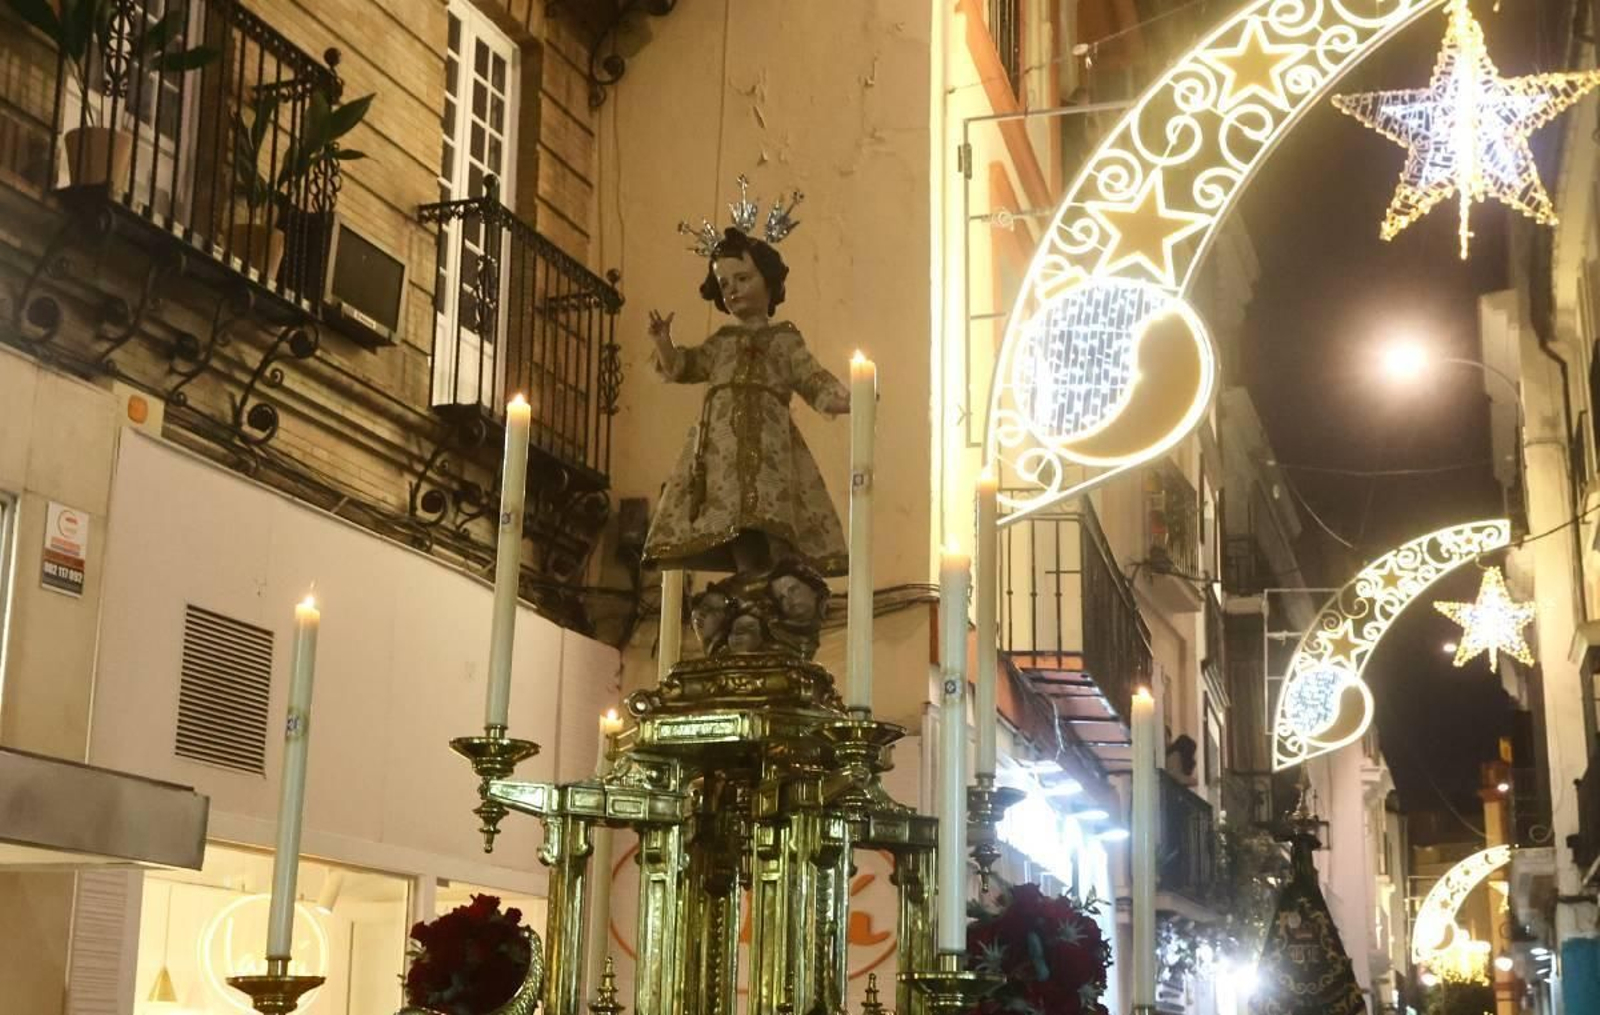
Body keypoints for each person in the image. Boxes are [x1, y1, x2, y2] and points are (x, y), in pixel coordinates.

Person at [643, 227, 850, 577]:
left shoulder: (783, 340)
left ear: (767, 281)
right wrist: (664, 341)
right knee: (734, 520)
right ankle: (749, 577)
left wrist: (850, 398)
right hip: (720, 449)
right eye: (724, 284)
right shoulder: (722, 342)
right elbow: (682, 366)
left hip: (769, 447)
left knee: (769, 517)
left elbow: (811, 377)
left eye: (742, 278)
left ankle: (771, 578)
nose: (733, 289)